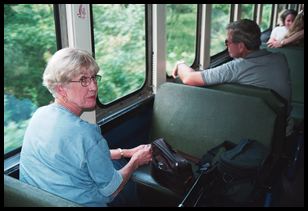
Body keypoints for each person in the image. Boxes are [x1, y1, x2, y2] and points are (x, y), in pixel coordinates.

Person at [19, 48, 152, 207]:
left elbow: (77, 156)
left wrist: (124, 152)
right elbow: (111, 190)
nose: (94, 87)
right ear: (61, 89)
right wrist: (136, 160)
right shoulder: (85, 132)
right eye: (83, 80)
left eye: (94, 78)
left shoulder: (40, 115)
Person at [172, 19, 293, 136]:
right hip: (282, 126)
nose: (227, 46)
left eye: (227, 42)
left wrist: (180, 64)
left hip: (256, 131)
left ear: (241, 46)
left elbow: (189, 78)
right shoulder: (280, 58)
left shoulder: (237, 67)